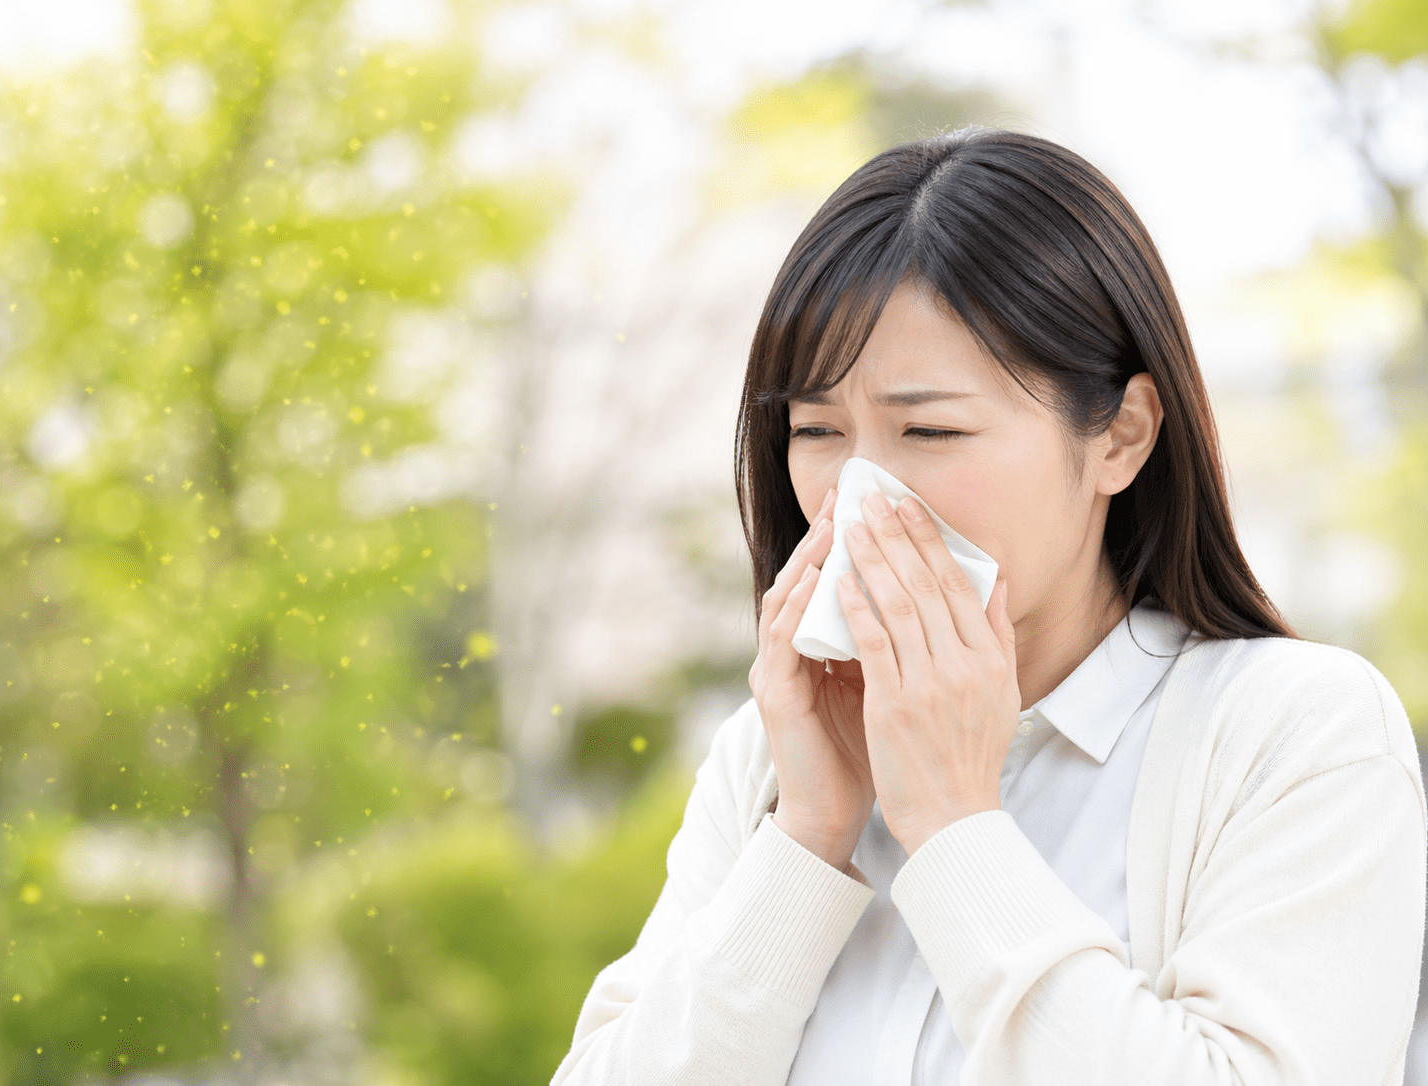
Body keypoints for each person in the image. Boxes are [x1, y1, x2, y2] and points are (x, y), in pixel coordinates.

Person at [549, 128, 1427, 1085]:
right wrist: (804, 840)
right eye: (815, 430)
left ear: (1121, 438)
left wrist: (954, 824)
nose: (860, 497)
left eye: (931, 428)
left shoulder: (1292, 734)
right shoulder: (769, 757)